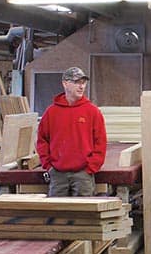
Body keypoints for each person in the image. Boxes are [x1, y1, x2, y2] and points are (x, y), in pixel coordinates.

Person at [36, 67, 107, 197]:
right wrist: (48, 165)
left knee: (84, 214)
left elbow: (100, 142)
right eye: (76, 82)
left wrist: (91, 167)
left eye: (83, 83)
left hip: (83, 174)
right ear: (65, 83)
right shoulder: (51, 112)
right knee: (56, 214)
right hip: (57, 174)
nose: (81, 87)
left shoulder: (92, 111)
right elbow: (42, 140)